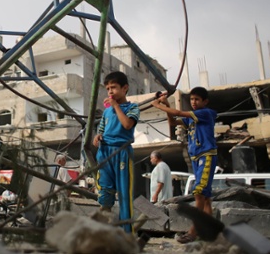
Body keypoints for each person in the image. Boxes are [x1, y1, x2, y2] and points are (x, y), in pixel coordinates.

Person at [151, 86, 218, 243]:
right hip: (196, 157)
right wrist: (166, 106)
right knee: (206, 198)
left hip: (206, 155)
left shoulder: (205, 113)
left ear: (205, 101)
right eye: (192, 99)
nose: (194, 102)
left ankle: (193, 232)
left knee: (199, 193)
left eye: (197, 99)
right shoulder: (192, 117)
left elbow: (179, 113)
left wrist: (158, 105)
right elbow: (173, 121)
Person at [92, 71, 140, 235]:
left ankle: (128, 236)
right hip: (105, 153)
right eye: (108, 88)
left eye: (114, 87)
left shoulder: (132, 107)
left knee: (125, 196)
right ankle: (103, 234)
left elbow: (127, 125)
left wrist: (116, 106)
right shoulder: (106, 112)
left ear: (125, 88)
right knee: (104, 194)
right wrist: (97, 137)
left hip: (122, 153)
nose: (110, 91)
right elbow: (102, 129)